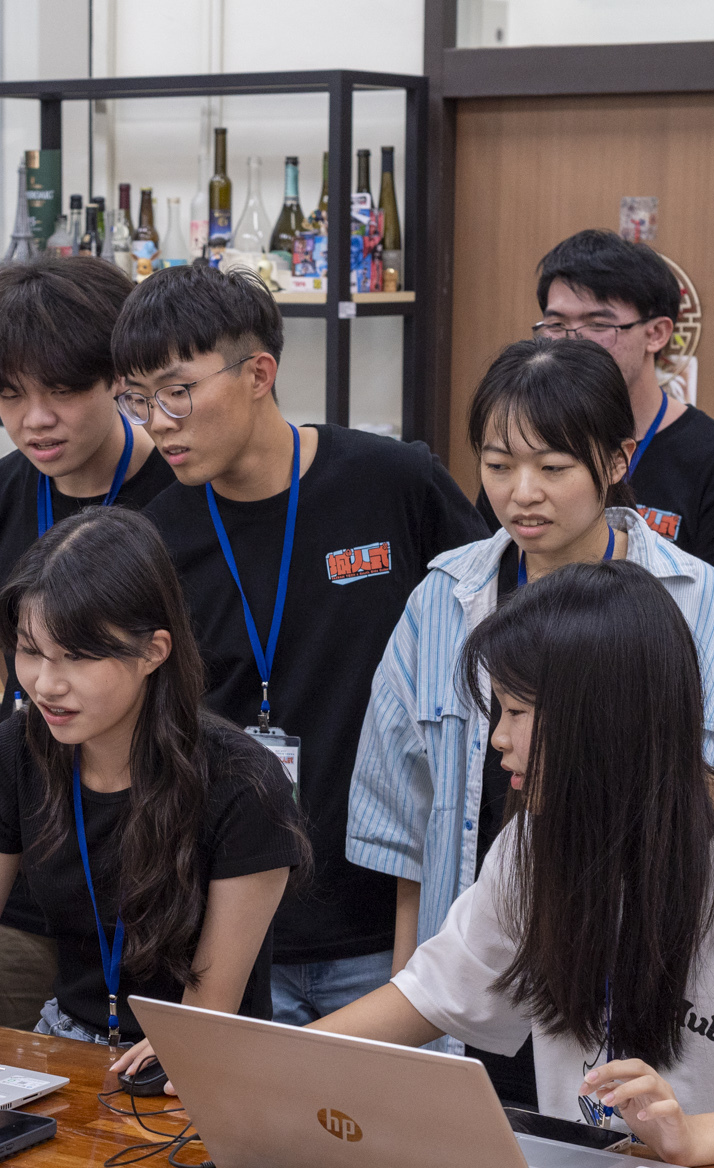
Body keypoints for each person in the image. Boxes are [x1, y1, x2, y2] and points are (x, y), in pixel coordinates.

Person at [318, 561, 714, 1168]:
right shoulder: (537, 840)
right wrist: (269, 1064)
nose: (497, 739)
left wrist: (692, 1137)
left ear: (601, 717)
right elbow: (427, 998)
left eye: (516, 713)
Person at [348, 338, 714, 1104]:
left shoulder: (694, 598)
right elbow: (406, 826)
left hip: (637, 979)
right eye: (499, 463)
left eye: (552, 467)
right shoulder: (444, 597)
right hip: (482, 965)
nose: (522, 494)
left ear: (614, 462)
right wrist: (412, 998)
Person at [122, 264, 488, 1026]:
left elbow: (497, 630)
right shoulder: (155, 537)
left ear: (259, 372)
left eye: (176, 389)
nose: (157, 420)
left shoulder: (394, 483)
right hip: (231, 932)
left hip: (387, 922)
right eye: (136, 397)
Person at [0, 508, 305, 1086]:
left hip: (198, 1064)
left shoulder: (242, 783)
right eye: (30, 651)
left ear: (153, 651)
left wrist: (178, 1050)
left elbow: (209, 1008)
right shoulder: (14, 753)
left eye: (79, 657)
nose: (45, 683)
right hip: (63, 1048)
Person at [0, 256, 176, 1030]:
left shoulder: (184, 494)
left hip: (162, 866)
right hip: (29, 865)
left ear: (119, 377)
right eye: (10, 395)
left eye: (62, 390)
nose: (34, 420)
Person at [483, 229, 714, 684]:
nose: (572, 342)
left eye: (598, 324)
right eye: (555, 324)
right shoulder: (519, 455)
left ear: (657, 333)